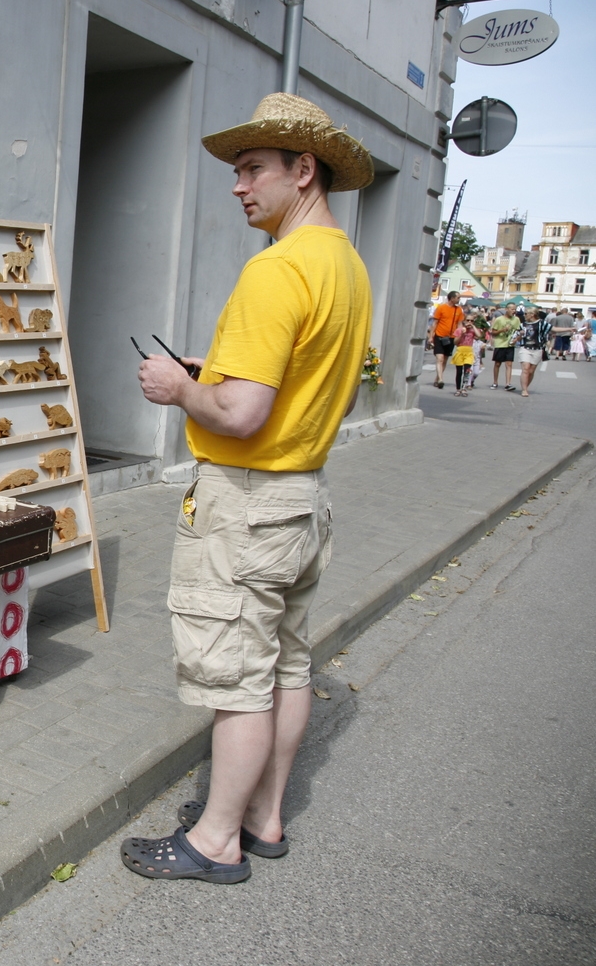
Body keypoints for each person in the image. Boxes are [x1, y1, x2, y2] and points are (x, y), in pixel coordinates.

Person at [126, 93, 373, 883]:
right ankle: (266, 819)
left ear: (305, 171)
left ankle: (215, 841)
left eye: (252, 169)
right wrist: (217, 374)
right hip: (302, 498)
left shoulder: (277, 269)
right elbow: (291, 383)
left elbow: (239, 411)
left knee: (238, 681)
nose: (238, 185)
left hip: (245, 503)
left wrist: (179, 386)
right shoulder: (346, 264)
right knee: (288, 667)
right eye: (237, 171)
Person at [427, 291, 464, 389]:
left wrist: (460, 335)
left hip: (451, 338)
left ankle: (437, 378)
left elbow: (460, 323)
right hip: (439, 336)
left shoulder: (459, 309)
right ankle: (441, 380)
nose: (459, 299)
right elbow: (435, 323)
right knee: (440, 358)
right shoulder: (441, 307)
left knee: (445, 360)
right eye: (458, 298)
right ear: (452, 298)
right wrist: (431, 336)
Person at [515, 308, 551, 398]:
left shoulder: (542, 323)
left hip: (537, 349)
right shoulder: (522, 325)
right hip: (525, 348)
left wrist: (570, 329)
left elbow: (553, 329)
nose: (524, 315)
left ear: (532, 314)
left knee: (531, 371)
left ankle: (526, 386)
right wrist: (520, 335)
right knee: (526, 369)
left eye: (526, 313)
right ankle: (524, 390)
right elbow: (516, 338)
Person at [488, 303, 520, 391]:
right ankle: (495, 382)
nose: (514, 311)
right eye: (512, 309)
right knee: (497, 363)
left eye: (514, 309)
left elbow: (518, 331)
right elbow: (493, 332)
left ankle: (508, 384)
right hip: (500, 344)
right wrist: (502, 330)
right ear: (507, 309)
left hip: (510, 344)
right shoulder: (499, 319)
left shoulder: (516, 319)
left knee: (509, 364)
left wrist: (516, 339)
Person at [451, 319, 475, 396]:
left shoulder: (473, 330)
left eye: (472, 321)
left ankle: (464, 388)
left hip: (469, 352)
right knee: (459, 372)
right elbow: (455, 342)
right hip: (460, 351)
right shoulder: (459, 330)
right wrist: (461, 334)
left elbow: (480, 335)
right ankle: (458, 389)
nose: (470, 322)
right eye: (468, 320)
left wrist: (473, 326)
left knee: (467, 371)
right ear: (464, 321)